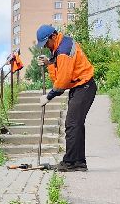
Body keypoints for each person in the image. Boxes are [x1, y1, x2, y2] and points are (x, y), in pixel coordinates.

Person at [34, 23, 97, 172]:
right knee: (76, 124)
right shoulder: (62, 45)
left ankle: (69, 162)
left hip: (84, 86)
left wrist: (48, 97)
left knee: (72, 124)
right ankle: (79, 163)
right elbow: (59, 74)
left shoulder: (63, 50)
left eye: (46, 43)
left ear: (53, 36)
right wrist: (50, 64)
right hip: (80, 87)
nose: (45, 47)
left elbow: (61, 83)